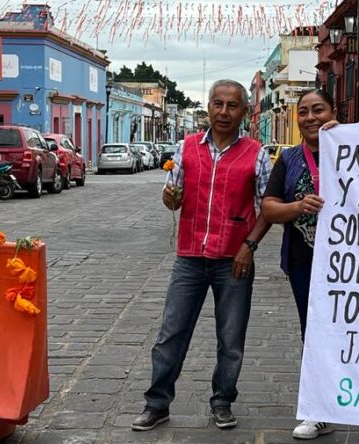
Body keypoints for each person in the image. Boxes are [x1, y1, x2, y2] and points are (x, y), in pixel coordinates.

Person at [132, 79, 272, 432]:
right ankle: (157, 403)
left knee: (231, 337)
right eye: (218, 104)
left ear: (244, 111)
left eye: (233, 105)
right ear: (208, 106)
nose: (224, 112)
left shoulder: (256, 153)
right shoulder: (187, 147)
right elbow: (172, 195)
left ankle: (223, 400)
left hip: (234, 260)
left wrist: (249, 246)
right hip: (190, 257)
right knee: (171, 333)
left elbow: (266, 208)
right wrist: (171, 198)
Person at [261, 89, 338, 440]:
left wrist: (348, 135)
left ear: (332, 112)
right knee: (314, 333)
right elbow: (269, 207)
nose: (310, 118)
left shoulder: (356, 146)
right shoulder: (290, 158)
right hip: (305, 261)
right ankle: (317, 410)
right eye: (303, 112)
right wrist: (297, 208)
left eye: (318, 110)